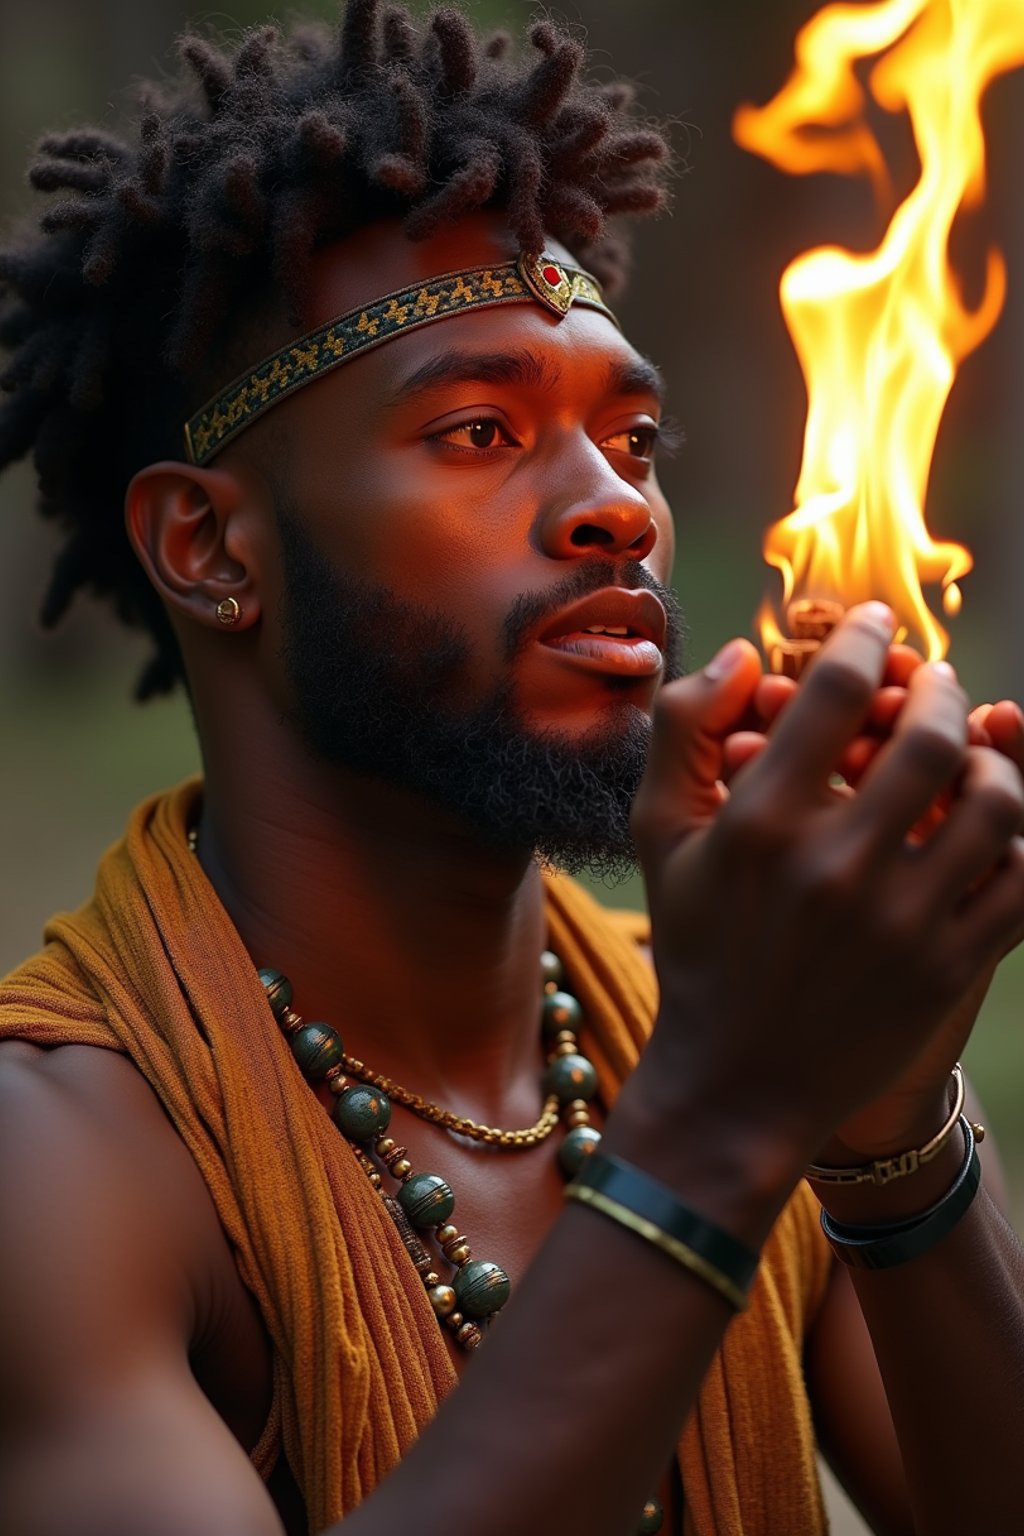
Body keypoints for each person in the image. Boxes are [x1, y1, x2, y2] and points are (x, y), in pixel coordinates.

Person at [1, 5, 1024, 1534]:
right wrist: (730, 1106)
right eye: (482, 431)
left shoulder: (715, 1016)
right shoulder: (59, 1165)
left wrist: (886, 1126)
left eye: (637, 439)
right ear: (211, 547)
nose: (614, 505)